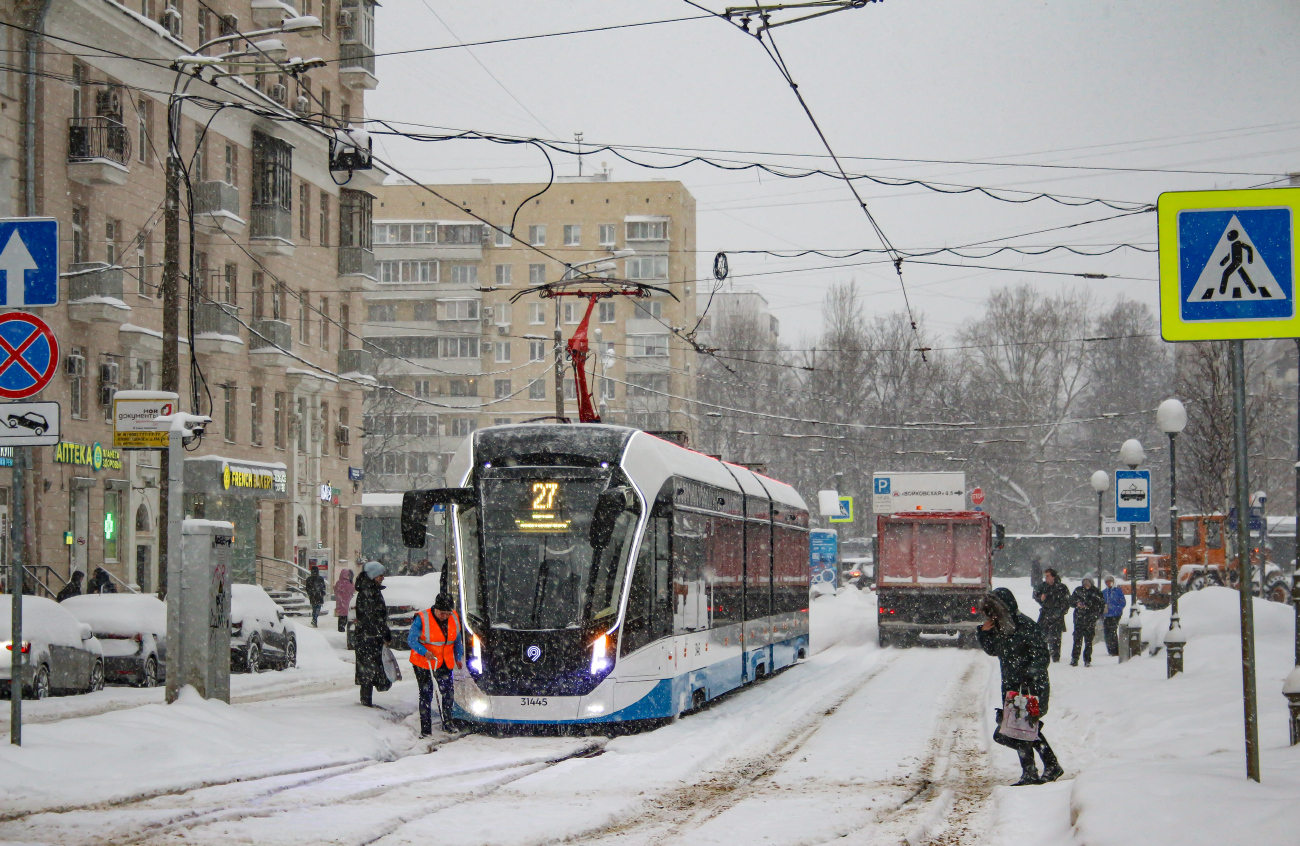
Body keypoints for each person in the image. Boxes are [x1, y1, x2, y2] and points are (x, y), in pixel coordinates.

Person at [978, 587, 1064, 786]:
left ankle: (1031, 772)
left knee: (1022, 729)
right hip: (1014, 687)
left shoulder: (1025, 626)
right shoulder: (1002, 628)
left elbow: (1042, 655)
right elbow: (993, 651)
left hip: (1031, 687)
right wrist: (984, 634)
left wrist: (1029, 676)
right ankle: (1049, 766)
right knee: (1021, 730)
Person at [408, 592, 464, 736]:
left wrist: (458, 656)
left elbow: (457, 639)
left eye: (447, 613)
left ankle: (448, 722)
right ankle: (426, 729)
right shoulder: (422, 618)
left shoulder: (454, 617)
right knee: (426, 693)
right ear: (435, 608)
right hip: (423, 660)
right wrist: (424, 651)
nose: (444, 616)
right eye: (442, 613)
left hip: (444, 660)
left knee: (448, 692)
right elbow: (411, 640)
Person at [353, 561, 392, 707]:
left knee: (368, 671)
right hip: (369, 637)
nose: (383, 577)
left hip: (368, 636)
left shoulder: (370, 590)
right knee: (369, 671)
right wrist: (383, 633)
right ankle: (366, 701)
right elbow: (374, 617)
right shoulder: (369, 593)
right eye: (380, 575)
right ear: (373, 575)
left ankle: (366, 699)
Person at [1034, 569, 1070, 662]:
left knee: (1056, 638)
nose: (1046, 578)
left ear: (1053, 576)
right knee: (1041, 636)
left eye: (1048, 576)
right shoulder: (1043, 586)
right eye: (1045, 576)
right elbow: (1035, 595)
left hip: (1057, 616)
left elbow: (1066, 602)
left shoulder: (1061, 588)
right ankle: (1043, 654)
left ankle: (1055, 657)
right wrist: (1040, 598)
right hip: (1045, 614)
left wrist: (1060, 612)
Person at [1069, 578, 1106, 667]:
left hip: (1090, 620)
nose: (1086, 585)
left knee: (1088, 641)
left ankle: (1087, 659)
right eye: (1084, 583)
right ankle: (1075, 659)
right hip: (1079, 620)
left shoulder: (1096, 592)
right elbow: (1071, 601)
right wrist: (1077, 604)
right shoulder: (1078, 590)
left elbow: (1101, 605)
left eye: (1088, 583)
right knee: (1077, 640)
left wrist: (1095, 615)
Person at [1102, 576, 1126, 657]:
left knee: (1113, 632)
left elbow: (1122, 602)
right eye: (1107, 582)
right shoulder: (1104, 592)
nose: (1108, 583)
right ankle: (1110, 650)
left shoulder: (1117, 591)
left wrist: (1117, 609)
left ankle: (1115, 650)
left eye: (1110, 581)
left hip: (1115, 615)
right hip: (1106, 615)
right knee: (1106, 632)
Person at [334, 568, 356, 633]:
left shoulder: (338, 583)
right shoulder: (349, 583)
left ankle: (340, 628)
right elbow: (353, 590)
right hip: (347, 602)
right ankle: (345, 628)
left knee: (340, 616)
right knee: (346, 616)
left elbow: (335, 591)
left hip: (340, 603)